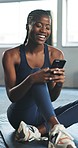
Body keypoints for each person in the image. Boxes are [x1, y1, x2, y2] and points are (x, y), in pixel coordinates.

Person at [2, 9, 77, 148]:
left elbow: (51, 98)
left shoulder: (56, 54)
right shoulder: (11, 55)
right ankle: (56, 130)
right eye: (38, 25)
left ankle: (36, 131)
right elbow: (12, 96)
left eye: (47, 27)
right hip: (20, 116)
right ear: (28, 26)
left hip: (43, 116)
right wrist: (31, 79)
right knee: (37, 73)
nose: (44, 30)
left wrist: (59, 84)